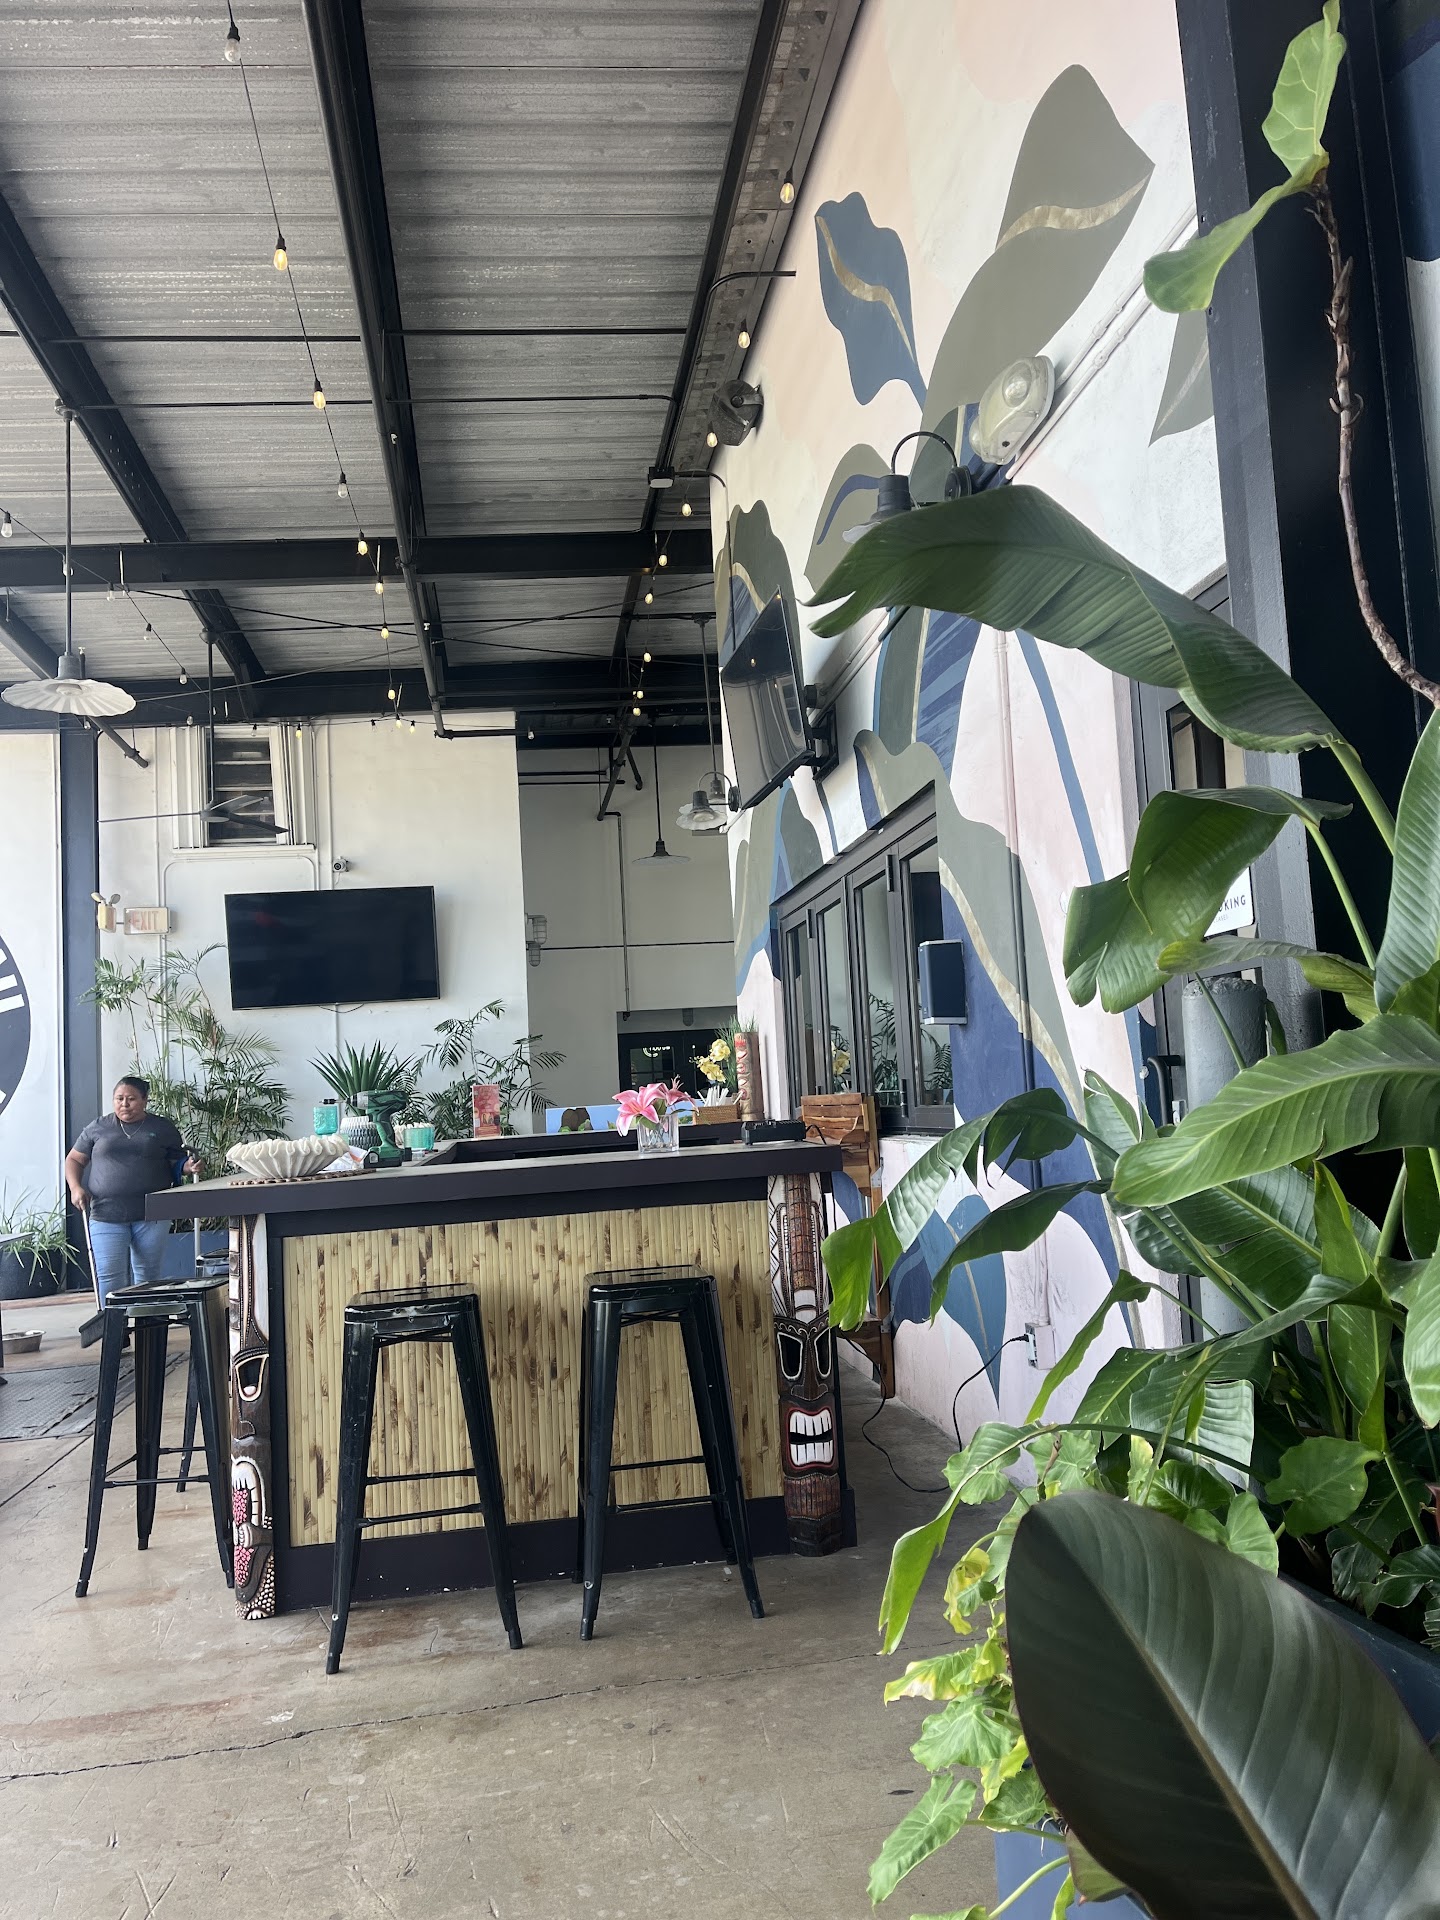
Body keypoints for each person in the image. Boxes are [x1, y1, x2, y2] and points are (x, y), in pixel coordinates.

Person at [65, 1077, 201, 1305]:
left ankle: (147, 1323)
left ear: (145, 1100)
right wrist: (75, 1187)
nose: (124, 1104)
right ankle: (113, 1323)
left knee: (148, 1274)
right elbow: (74, 1160)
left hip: (152, 1214)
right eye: (119, 1099)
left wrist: (189, 1166)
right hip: (106, 1214)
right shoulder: (98, 1127)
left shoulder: (161, 1127)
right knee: (109, 1275)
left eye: (131, 1099)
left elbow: (177, 1163)